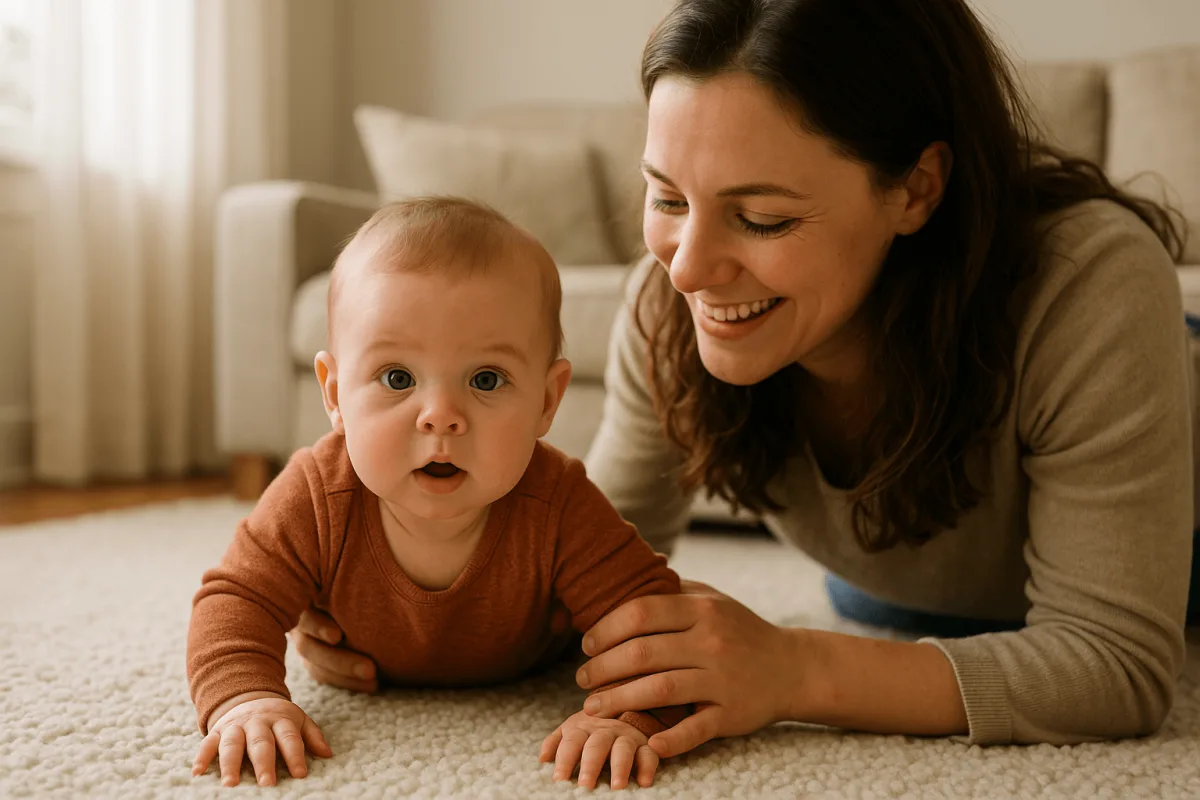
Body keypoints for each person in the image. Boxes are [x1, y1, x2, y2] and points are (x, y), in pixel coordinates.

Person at [293, 0, 1200, 769]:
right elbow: (569, 567)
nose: (688, 268)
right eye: (668, 198)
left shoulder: (1089, 286)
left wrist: (795, 670)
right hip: (908, 583)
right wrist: (391, 600)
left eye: (761, 216)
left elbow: (1115, 662)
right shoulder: (670, 300)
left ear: (918, 188)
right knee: (882, 604)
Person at [187, 197, 687, 790]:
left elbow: (653, 620)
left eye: (485, 380)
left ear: (547, 401)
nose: (441, 417)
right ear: (335, 393)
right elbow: (234, 601)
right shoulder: (317, 493)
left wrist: (629, 718)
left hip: (534, 664)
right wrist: (245, 700)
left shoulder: (557, 502)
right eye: (398, 378)